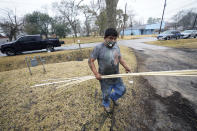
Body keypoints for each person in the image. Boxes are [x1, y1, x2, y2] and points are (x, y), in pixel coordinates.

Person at [88, 28, 131, 113]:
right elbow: (90, 61)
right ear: (105, 37)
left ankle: (113, 97)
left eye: (115, 39)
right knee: (106, 94)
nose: (113, 40)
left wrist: (126, 67)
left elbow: (120, 58)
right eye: (111, 38)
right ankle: (106, 104)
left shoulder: (116, 47)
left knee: (122, 90)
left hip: (116, 76)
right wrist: (96, 73)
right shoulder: (98, 48)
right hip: (104, 78)